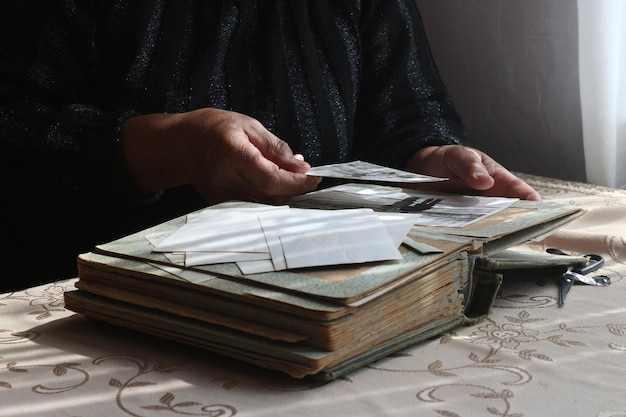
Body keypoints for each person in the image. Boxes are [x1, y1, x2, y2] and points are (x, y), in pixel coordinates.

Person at [0, 1, 539, 292]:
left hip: (330, 283)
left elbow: (406, 111)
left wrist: (432, 158)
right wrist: (174, 147)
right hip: (108, 293)